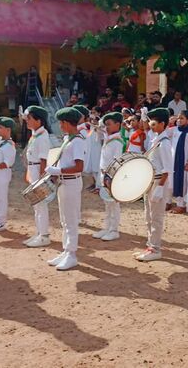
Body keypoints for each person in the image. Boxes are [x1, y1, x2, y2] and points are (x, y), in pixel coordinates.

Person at [45, 107, 88, 270]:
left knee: (70, 220)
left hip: (71, 182)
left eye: (62, 122)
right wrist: (55, 173)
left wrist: (58, 171)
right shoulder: (68, 139)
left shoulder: (77, 141)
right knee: (64, 219)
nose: (60, 125)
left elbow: (79, 166)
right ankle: (66, 250)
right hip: (64, 182)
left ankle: (72, 254)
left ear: (68, 122)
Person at [134, 108, 173, 262]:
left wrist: (161, 187)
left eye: (154, 123)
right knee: (148, 217)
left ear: (163, 124)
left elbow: (168, 168)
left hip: (158, 181)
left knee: (156, 217)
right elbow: (145, 128)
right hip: (150, 180)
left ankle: (155, 249)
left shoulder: (164, 143)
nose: (151, 125)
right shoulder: (156, 139)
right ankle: (150, 245)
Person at [21, 105, 52, 248]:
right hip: (32, 169)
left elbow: (43, 160)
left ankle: (44, 235)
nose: (26, 121)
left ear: (39, 120)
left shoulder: (43, 137)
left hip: (38, 171)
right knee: (36, 205)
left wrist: (41, 180)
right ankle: (39, 232)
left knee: (40, 204)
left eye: (29, 118)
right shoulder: (36, 135)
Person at [94, 112, 125, 241]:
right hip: (103, 174)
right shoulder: (109, 137)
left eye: (109, 124)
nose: (106, 127)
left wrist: (112, 179)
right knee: (107, 203)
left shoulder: (117, 141)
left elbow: (117, 162)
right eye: (106, 124)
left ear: (118, 125)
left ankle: (114, 229)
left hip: (111, 176)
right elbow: (99, 129)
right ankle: (107, 227)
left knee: (113, 203)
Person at [170, 111, 188, 214]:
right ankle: (178, 203)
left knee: (183, 181)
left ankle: (182, 205)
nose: (179, 120)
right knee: (175, 180)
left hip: (183, 160)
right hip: (174, 159)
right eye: (178, 118)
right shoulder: (174, 130)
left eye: (182, 118)